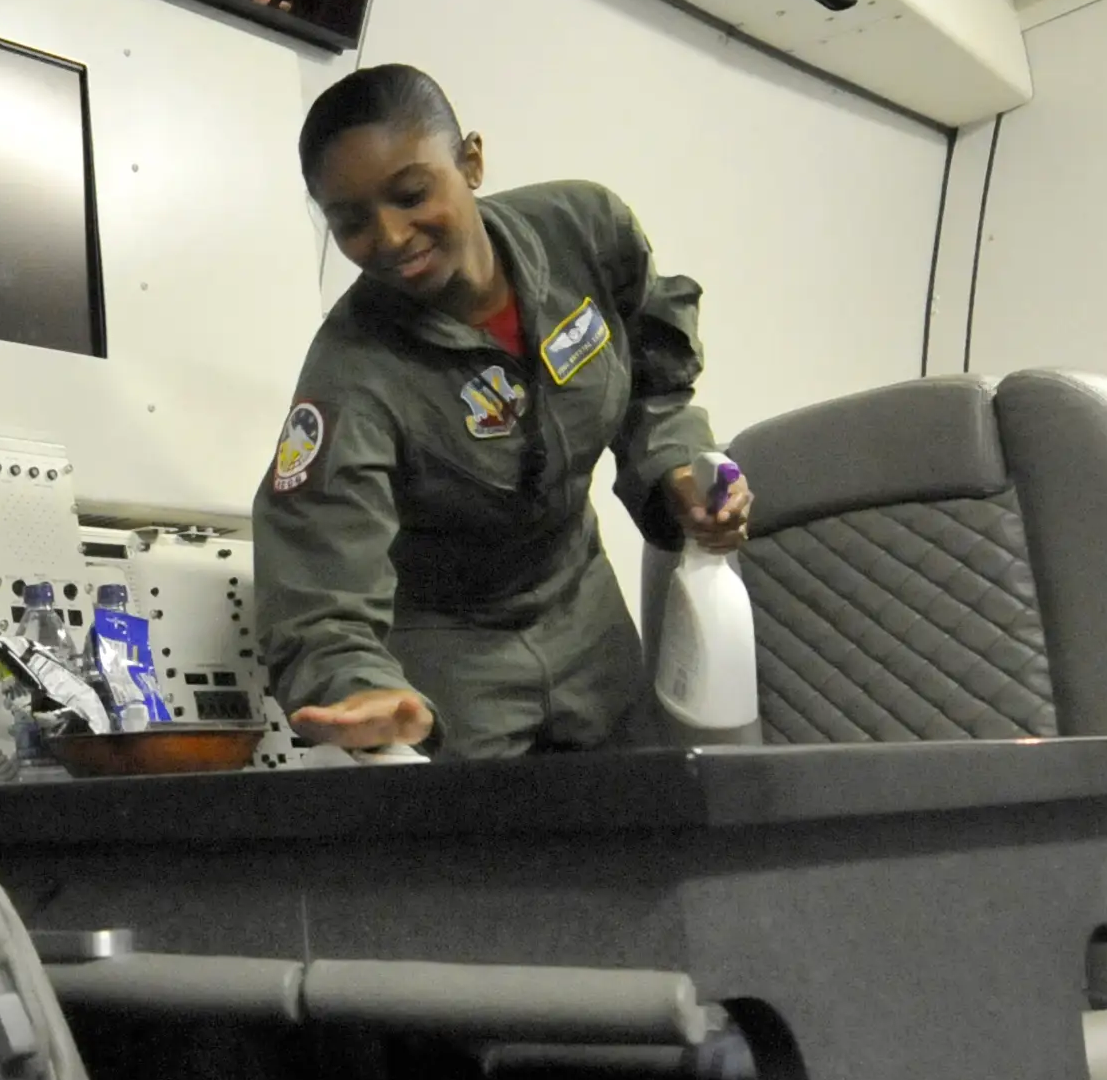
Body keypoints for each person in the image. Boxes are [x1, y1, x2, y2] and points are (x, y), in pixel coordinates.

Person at [251, 63, 752, 758]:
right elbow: (315, 582)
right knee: (492, 859)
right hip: (450, 650)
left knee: (642, 834)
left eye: (411, 194)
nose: (391, 237)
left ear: (472, 161)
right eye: (352, 222)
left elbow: (655, 373)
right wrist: (358, 684)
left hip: (583, 608)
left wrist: (674, 465)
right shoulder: (352, 372)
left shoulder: (583, 232)